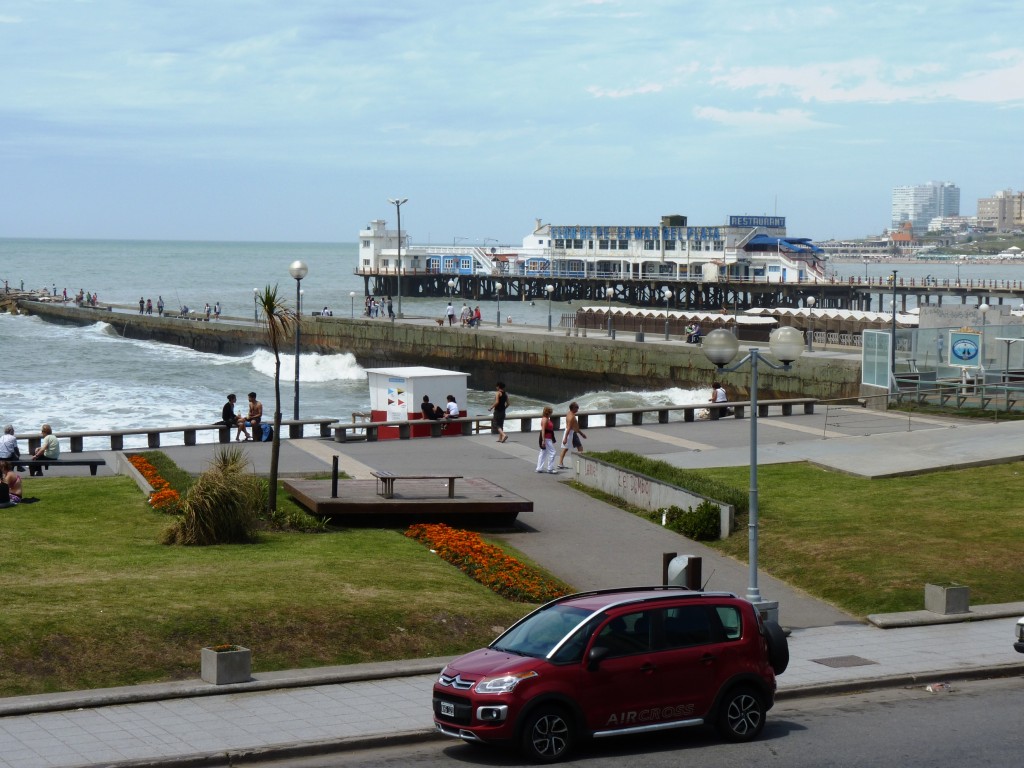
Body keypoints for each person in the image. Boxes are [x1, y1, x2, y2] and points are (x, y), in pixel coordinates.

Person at [556, 402, 586, 469]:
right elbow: (569, 427)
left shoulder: (569, 413)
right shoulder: (572, 417)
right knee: (580, 447)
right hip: (571, 433)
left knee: (565, 448)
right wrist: (565, 438)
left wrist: (581, 434)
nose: (578, 409)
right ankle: (580, 463)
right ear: (573, 408)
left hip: (571, 433)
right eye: (577, 407)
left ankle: (560, 463)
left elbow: (574, 426)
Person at [535, 406, 557, 473]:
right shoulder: (545, 419)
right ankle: (550, 468)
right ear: (548, 412)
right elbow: (543, 430)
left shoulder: (547, 419)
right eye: (551, 412)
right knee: (553, 452)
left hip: (548, 438)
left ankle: (539, 468)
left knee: (543, 452)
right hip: (546, 438)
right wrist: (543, 441)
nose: (551, 413)